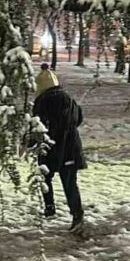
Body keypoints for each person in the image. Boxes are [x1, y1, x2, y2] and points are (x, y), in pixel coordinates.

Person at [32, 63, 86, 231]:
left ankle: (49, 207)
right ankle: (77, 215)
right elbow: (79, 119)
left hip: (51, 148)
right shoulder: (69, 99)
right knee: (70, 183)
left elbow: (37, 127)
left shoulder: (42, 102)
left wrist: (30, 143)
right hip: (71, 147)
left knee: (44, 177)